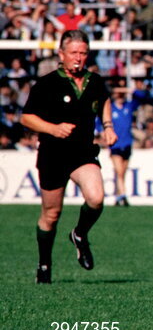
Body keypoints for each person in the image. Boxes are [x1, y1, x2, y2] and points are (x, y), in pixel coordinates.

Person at [21, 30, 117, 284]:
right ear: (61, 54)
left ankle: (80, 234)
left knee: (96, 198)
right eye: (74, 53)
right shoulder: (47, 84)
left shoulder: (94, 81)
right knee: (51, 215)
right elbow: (26, 117)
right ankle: (44, 265)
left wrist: (108, 126)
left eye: (83, 53)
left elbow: (104, 99)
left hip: (82, 153)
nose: (79, 58)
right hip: (53, 155)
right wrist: (52, 129)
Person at [108, 84, 139, 206]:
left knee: (122, 172)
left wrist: (128, 89)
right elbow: (99, 122)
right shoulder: (110, 108)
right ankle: (123, 196)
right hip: (115, 144)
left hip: (127, 143)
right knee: (119, 171)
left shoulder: (128, 106)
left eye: (122, 95)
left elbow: (142, 96)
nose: (120, 97)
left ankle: (117, 196)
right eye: (118, 94)